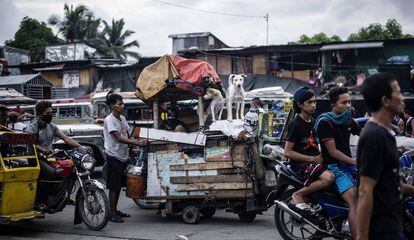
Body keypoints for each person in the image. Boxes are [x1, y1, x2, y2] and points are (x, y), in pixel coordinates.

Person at [357, 73, 414, 240]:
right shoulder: (374, 136)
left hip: (392, 224)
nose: (403, 97)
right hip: (381, 229)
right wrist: (362, 236)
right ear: (386, 100)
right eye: (398, 92)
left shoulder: (385, 133)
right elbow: (365, 190)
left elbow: (388, 181)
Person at [315, 87, 361, 238]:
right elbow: (333, 151)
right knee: (354, 201)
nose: (349, 105)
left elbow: (365, 134)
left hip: (348, 165)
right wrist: (354, 161)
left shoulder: (348, 119)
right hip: (334, 167)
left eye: (349, 101)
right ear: (333, 105)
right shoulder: (325, 122)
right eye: (344, 102)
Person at [284, 87, 334, 211]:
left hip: (315, 161)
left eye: (314, 102)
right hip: (301, 164)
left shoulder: (313, 121)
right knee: (329, 178)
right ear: (301, 105)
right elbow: (287, 152)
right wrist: (311, 158)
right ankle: (298, 194)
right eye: (309, 102)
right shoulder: (295, 124)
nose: (313, 105)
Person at [103, 93, 147, 223]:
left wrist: (138, 140)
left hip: (122, 155)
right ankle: (112, 213)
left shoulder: (122, 118)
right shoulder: (109, 120)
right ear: (112, 106)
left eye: (122, 103)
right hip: (113, 155)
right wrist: (137, 143)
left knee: (119, 185)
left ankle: (115, 210)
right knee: (114, 186)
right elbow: (119, 138)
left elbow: (128, 135)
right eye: (119, 104)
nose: (123, 106)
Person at [26, 101, 82, 176]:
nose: (50, 115)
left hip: (50, 157)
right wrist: (44, 151)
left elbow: (65, 138)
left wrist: (80, 146)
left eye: (51, 112)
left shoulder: (52, 126)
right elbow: (31, 144)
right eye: (48, 113)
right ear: (40, 114)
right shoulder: (32, 127)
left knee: (69, 168)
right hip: (36, 159)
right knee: (54, 172)